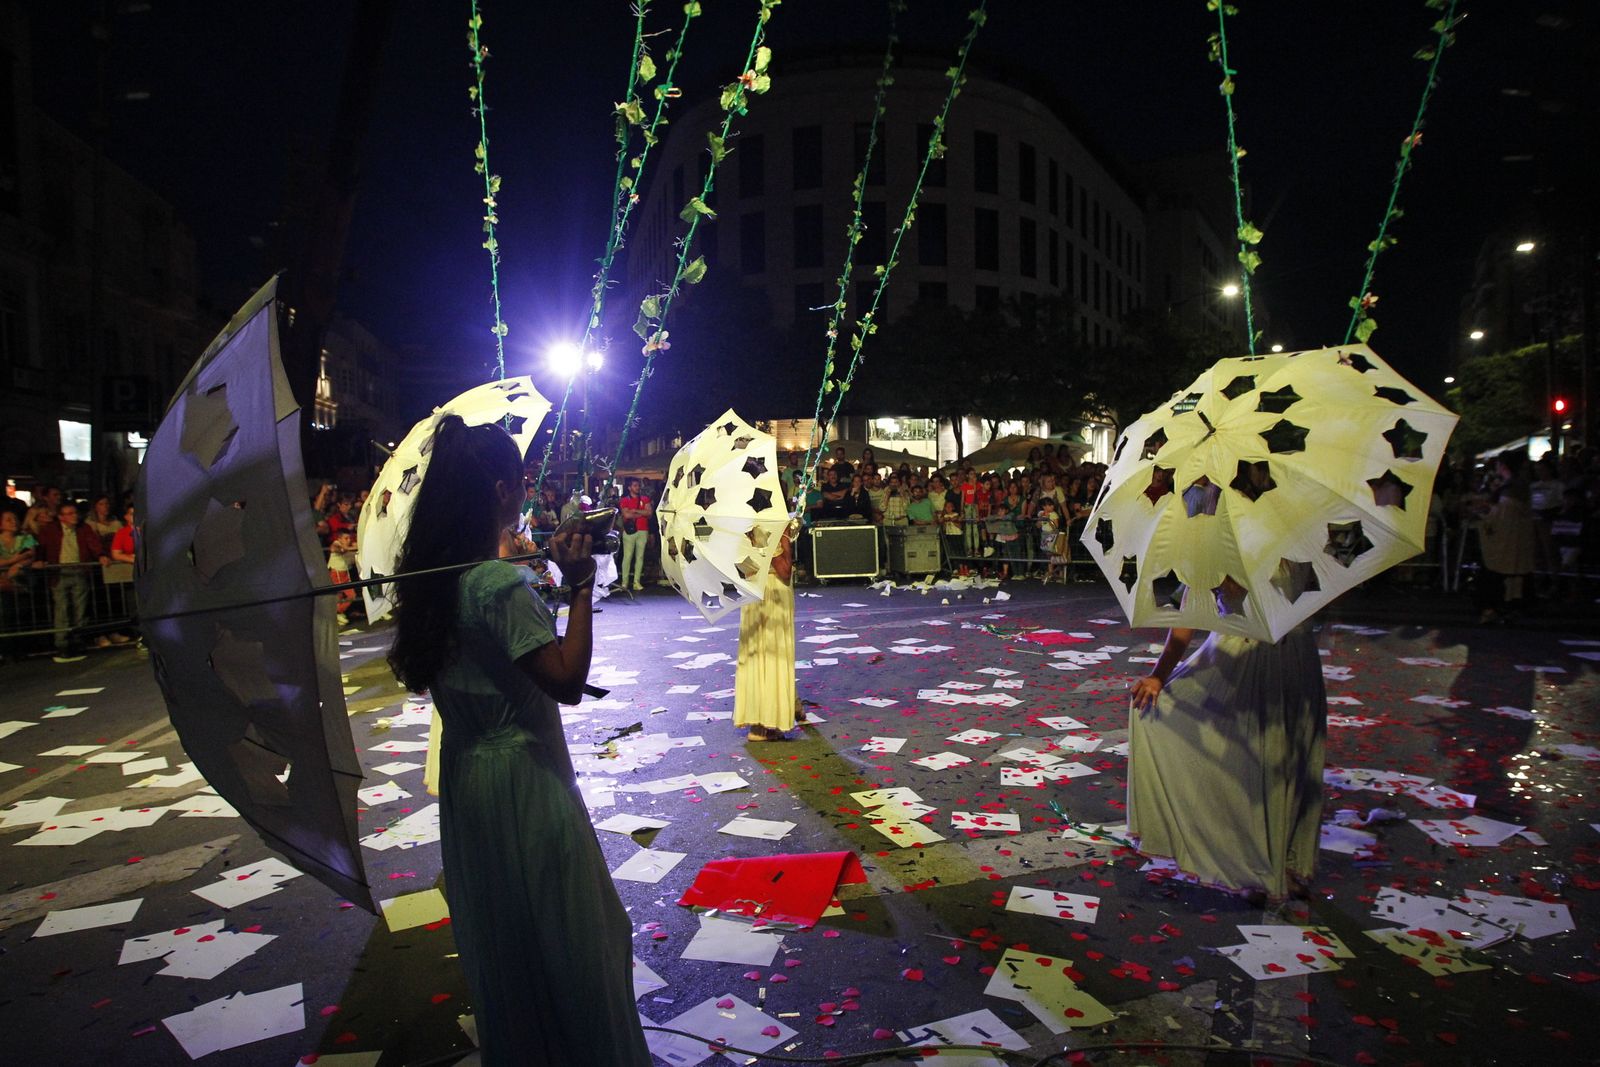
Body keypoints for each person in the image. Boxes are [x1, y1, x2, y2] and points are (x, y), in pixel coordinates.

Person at [387, 415, 650, 1066]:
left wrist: (542, 575)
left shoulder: (438, 579)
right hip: (526, 781)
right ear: (503, 488)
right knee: (576, 939)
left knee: (511, 943)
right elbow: (565, 679)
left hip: (469, 779)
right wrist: (581, 584)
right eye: (522, 481)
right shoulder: (496, 584)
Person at [1128, 579, 1326, 902]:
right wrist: (1159, 674)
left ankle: (1284, 862)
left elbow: (1322, 592)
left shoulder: (1299, 551)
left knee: (1291, 762)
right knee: (1249, 767)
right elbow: (1186, 619)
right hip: (1239, 661)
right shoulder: (1212, 554)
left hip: (1295, 658)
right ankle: (1254, 867)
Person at [734, 525, 799, 741]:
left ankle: (756, 722)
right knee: (774, 655)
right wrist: (782, 540)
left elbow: (740, 565)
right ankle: (768, 723)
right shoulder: (775, 524)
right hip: (774, 592)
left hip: (751, 590)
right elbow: (784, 571)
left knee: (754, 656)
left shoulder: (737, 526)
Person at [34, 501, 108, 662]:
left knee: (80, 609)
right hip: (59, 572)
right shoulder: (50, 530)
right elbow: (41, 546)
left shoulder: (83, 528)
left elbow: (93, 543)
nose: (74, 516)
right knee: (62, 610)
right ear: (61, 517)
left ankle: (78, 641)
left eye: (75, 512)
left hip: (79, 571)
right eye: (70, 513)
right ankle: (62, 644)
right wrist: (39, 559)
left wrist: (101, 555)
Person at [617, 477, 652, 592]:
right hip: (630, 531)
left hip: (643, 530)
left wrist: (635, 511)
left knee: (640, 557)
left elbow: (649, 513)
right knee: (627, 557)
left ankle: (637, 582)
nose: (637, 487)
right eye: (635, 486)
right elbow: (626, 515)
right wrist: (642, 513)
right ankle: (625, 582)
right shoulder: (624, 500)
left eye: (638, 485)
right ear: (629, 487)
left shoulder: (645, 499)